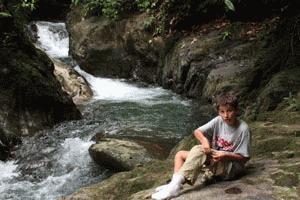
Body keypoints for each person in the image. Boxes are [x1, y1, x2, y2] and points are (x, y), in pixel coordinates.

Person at [151, 92, 251, 200]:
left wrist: (225, 155)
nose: (225, 115)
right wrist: (204, 140)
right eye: (222, 112)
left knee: (198, 150)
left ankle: (174, 186)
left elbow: (245, 158)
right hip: (215, 160)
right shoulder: (218, 120)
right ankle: (175, 185)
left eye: (229, 111)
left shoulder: (243, 129)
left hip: (230, 168)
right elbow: (197, 131)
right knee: (180, 155)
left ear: (236, 110)